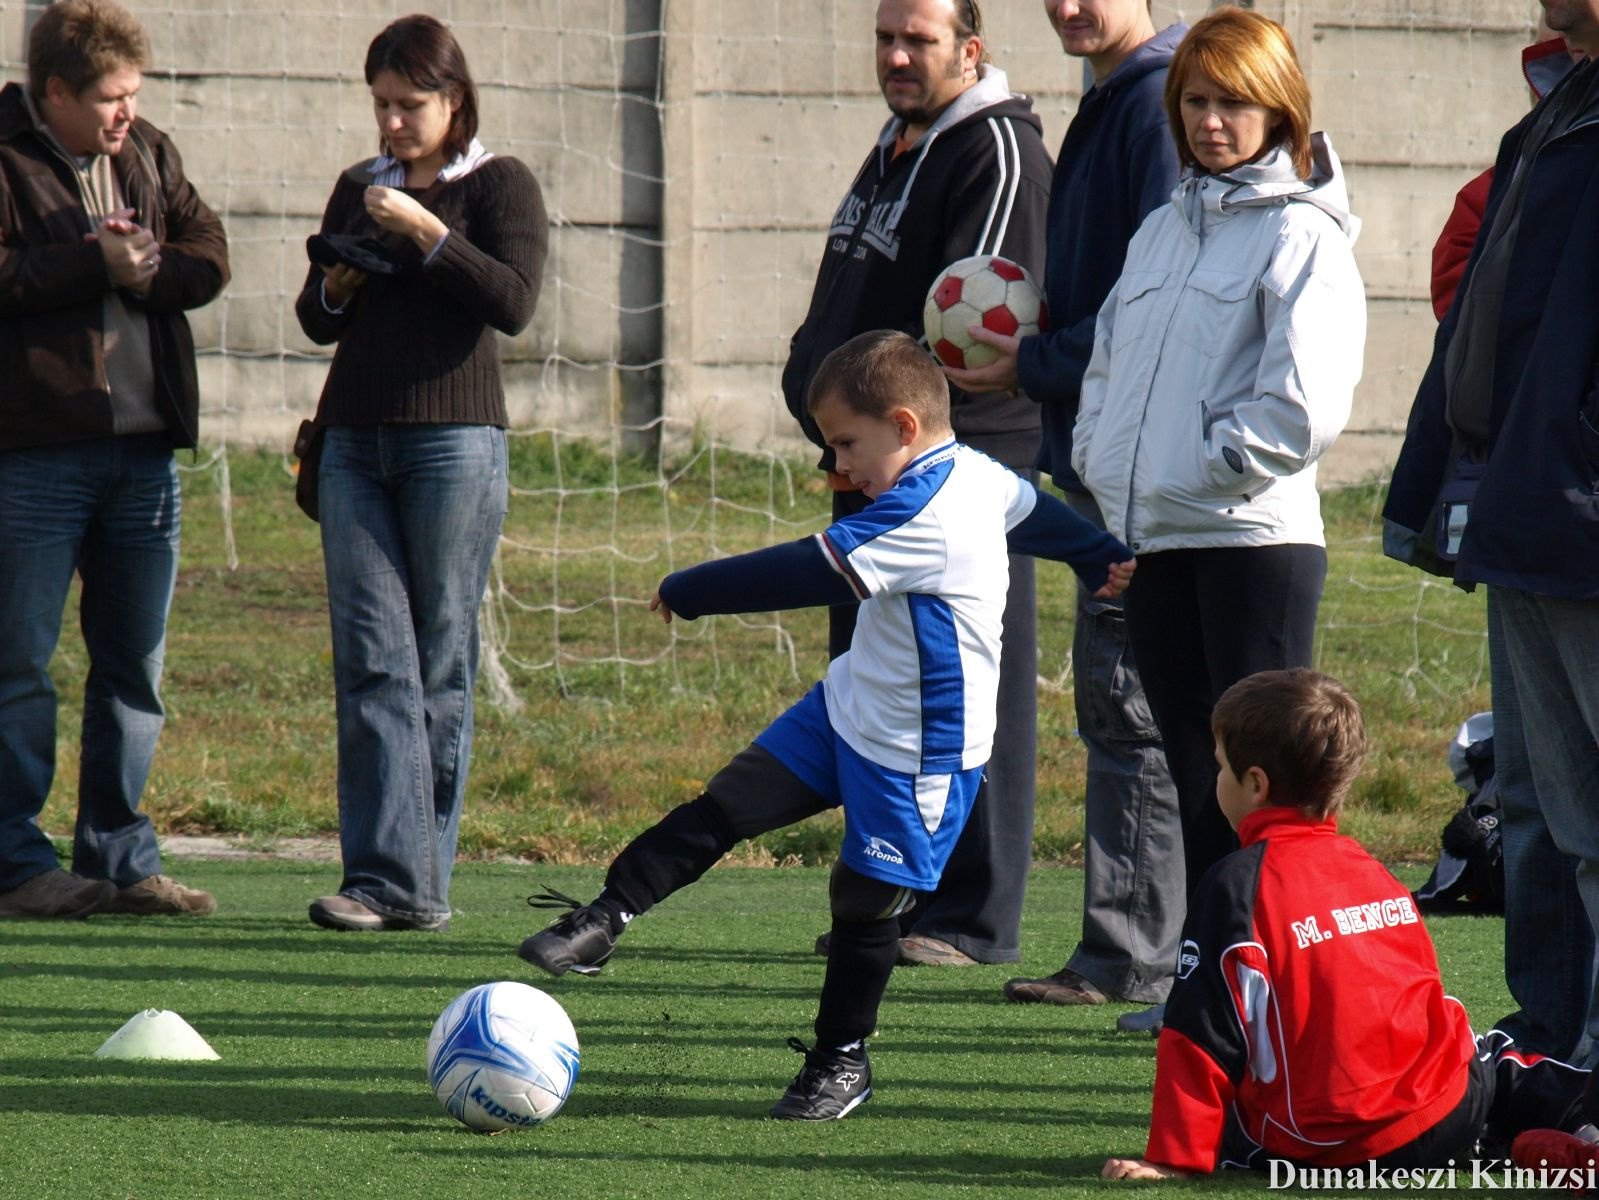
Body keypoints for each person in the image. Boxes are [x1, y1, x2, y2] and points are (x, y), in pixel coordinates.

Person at [518, 330, 1135, 1119]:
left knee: (862, 906)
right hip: (846, 708)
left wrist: (691, 588)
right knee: (726, 805)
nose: (838, 466)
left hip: (920, 754)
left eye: (847, 443)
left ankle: (841, 1061)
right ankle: (603, 918)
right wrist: (1096, 555)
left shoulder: (925, 511)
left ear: (905, 426)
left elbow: (810, 569)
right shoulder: (976, 476)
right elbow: (1033, 513)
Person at [1069, 7, 1365, 1033]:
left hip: (1253, 544)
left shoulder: (1305, 234)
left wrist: (1199, 470)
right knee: (1201, 785)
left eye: (1233, 101)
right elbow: (1107, 373)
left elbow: (1301, 406)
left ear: (1279, 108)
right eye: (1195, 100)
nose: (1210, 120)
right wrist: (1112, 485)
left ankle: (1291, 995)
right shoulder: (1161, 227)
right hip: (1161, 543)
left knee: (1271, 790)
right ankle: (1212, 990)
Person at [782, 0, 1053, 968]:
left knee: (964, 687)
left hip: (952, 471)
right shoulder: (898, 143)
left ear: (969, 50)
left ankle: (972, 916)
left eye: (920, 41)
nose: (898, 56)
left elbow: (966, 330)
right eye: (887, 39)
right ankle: (889, 901)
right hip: (871, 468)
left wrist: (906, 452)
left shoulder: (992, 150)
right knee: (877, 683)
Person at [1102, 669, 1598, 1181]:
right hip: (1451, 1109)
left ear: (1255, 784)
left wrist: (1173, 1157)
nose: (1217, 780)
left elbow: (1199, 1034)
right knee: (1498, 1060)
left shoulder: (1234, 887)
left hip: (1341, 1150)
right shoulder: (1369, 867)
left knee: (1239, 1126)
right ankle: (1573, 1127)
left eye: (1221, 768)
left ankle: (1534, 1144)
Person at [945, 0, 1187, 1016]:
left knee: (1134, 712)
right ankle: (1142, 948)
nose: (1071, 4)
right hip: (1102, 454)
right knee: (1123, 706)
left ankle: (1133, 955)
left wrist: (1034, 359)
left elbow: (1150, 300)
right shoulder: (1107, 96)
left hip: (1141, 466)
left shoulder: (1151, 105)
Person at [294, 14, 546, 932]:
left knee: (437, 661)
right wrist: (338, 284)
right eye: (382, 106)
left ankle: (413, 883)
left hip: (454, 443)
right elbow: (316, 319)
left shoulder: (499, 183)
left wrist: (431, 234)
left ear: (454, 100)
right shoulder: (357, 188)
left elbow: (513, 303)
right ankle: (382, 880)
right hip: (354, 440)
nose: (393, 124)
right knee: (371, 658)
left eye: (410, 106)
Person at [1384, 0, 1599, 1062]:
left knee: (1592, 813)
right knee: (1535, 806)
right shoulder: (1555, 110)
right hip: (1527, 505)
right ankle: (1552, 1035)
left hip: (1580, 508)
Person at [0, 0, 228, 920]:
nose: (125, 112)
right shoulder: (5, 156)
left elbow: (207, 257)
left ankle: (121, 858)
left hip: (143, 459)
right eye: (107, 98)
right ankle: (16, 863)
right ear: (52, 92)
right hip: (35, 456)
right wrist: (96, 266)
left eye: (134, 94)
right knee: (18, 663)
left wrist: (151, 270)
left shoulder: (152, 150)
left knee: (133, 665)